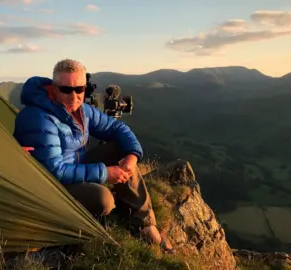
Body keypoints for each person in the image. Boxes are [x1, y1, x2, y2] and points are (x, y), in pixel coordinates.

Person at [13, 59, 172, 251]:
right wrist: (105, 173)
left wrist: (132, 155)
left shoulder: (82, 110)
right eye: (66, 89)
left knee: (119, 149)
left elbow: (116, 127)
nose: (74, 96)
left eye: (79, 89)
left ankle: (144, 223)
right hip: (50, 185)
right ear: (54, 88)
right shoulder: (39, 118)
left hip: (76, 166)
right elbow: (54, 171)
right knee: (103, 199)